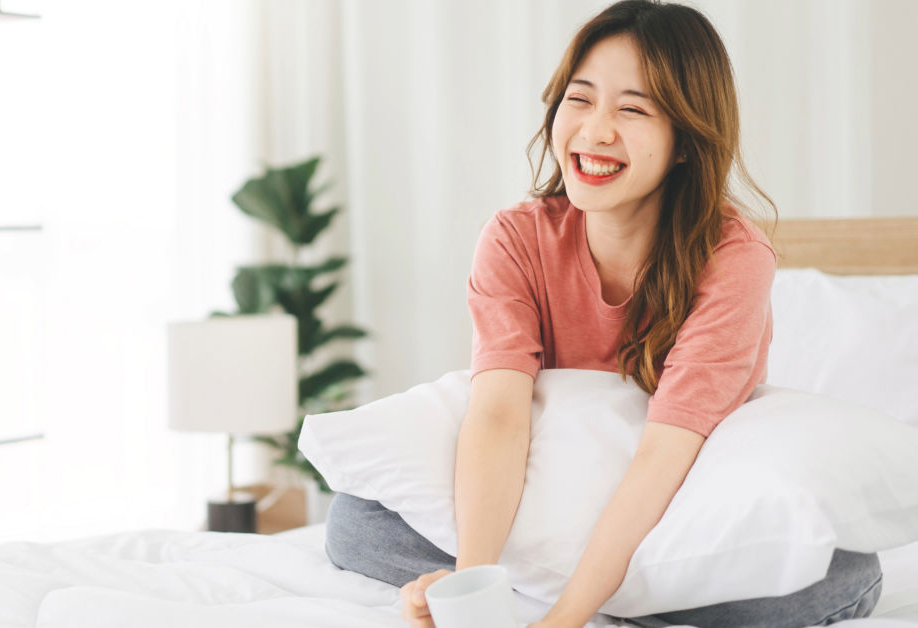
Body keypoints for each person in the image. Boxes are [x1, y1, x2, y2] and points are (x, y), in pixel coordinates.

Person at [322, 1, 884, 627]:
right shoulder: (515, 238)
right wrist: (473, 590)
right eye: (580, 99)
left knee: (840, 574)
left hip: (670, 513)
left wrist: (562, 622)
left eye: (633, 110)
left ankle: (581, 592)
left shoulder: (732, 258)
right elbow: (500, 416)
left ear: (685, 141)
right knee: (355, 521)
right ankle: (608, 596)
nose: (595, 131)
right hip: (545, 508)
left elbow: (665, 454)